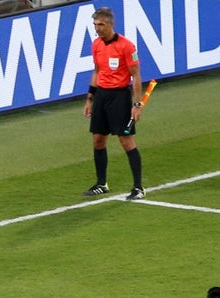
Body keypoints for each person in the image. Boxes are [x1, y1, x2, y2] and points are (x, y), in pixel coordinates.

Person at [82, 6, 145, 200]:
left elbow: (135, 76)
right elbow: (97, 71)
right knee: (98, 140)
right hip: (102, 96)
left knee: (126, 140)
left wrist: (137, 105)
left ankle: (138, 187)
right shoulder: (96, 45)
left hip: (119, 97)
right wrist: (90, 99)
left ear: (110, 24)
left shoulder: (127, 46)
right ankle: (102, 184)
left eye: (100, 24)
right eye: (95, 24)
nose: (97, 28)